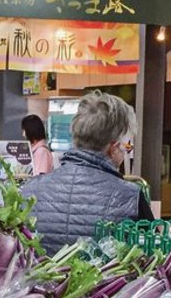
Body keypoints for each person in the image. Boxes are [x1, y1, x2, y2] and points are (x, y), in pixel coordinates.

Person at [24, 91, 152, 251]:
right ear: (114, 147)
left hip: (37, 277)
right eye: (127, 146)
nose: (126, 151)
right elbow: (152, 251)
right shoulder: (129, 196)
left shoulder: (30, 191)